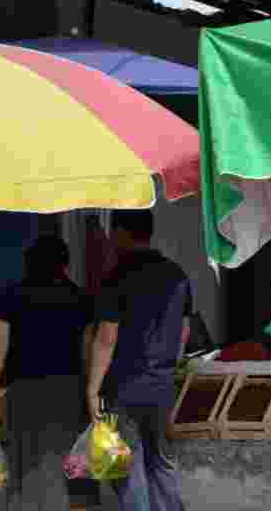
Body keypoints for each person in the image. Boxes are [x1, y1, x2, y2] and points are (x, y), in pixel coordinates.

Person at [85, 209, 191, 511]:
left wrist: (92, 389)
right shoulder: (176, 275)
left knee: (127, 468)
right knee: (161, 463)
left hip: (124, 389)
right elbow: (184, 331)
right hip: (161, 388)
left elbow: (106, 337)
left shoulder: (117, 278)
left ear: (120, 232)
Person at [0, 236, 101, 511]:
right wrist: (92, 394)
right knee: (72, 468)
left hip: (23, 394)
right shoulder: (81, 299)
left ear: (28, 265)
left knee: (25, 466)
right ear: (65, 265)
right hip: (70, 393)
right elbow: (87, 354)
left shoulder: (8, 297)